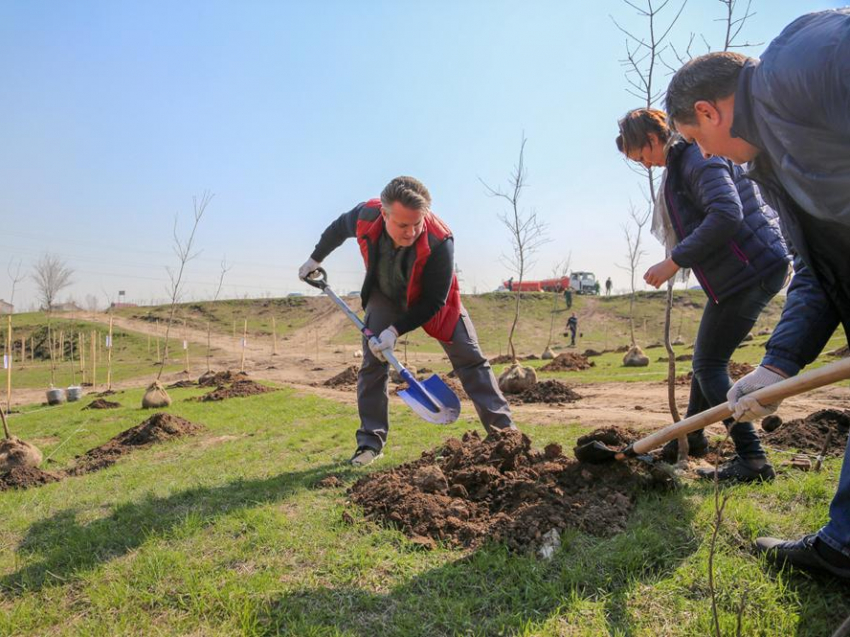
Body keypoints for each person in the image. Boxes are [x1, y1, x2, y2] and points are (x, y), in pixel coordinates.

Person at [665, 8, 850, 579]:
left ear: (709, 111)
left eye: (700, 140)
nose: (709, 154)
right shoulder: (771, 172)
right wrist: (779, 364)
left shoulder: (801, 61)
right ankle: (843, 548)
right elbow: (817, 273)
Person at [616, 107, 790, 481]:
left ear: (652, 138)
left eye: (642, 155)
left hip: (750, 269)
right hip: (740, 272)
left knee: (708, 365)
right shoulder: (683, 162)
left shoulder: (695, 157)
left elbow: (727, 214)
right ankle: (692, 438)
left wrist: (673, 262)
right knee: (703, 360)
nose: (645, 165)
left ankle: (753, 460)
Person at [299, 176, 516, 466]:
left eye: (417, 223)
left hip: (433, 301)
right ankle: (369, 444)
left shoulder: (440, 239)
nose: (411, 232)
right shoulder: (366, 215)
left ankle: (505, 436)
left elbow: (435, 300)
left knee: (471, 360)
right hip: (386, 294)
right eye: (403, 225)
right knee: (373, 364)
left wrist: (395, 330)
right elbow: (339, 227)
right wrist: (315, 259)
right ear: (384, 213)